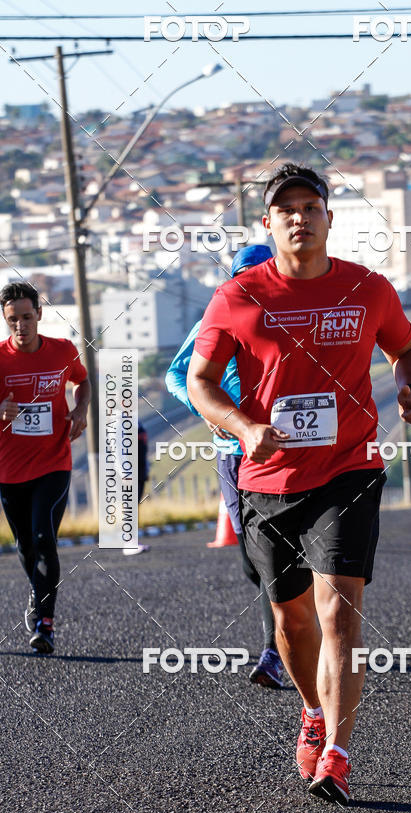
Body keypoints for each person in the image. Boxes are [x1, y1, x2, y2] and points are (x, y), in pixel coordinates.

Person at [187, 163, 411, 805]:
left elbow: (408, 347)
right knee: (292, 617)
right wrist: (243, 426)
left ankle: (339, 755)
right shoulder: (237, 296)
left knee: (339, 611)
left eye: (309, 206)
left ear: (328, 218)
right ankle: (312, 712)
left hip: (350, 469)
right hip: (267, 478)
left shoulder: (369, 288)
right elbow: (200, 381)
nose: (299, 216)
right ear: (268, 223)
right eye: (285, 208)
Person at [165, 243, 285, 689]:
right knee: (252, 563)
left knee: (275, 555)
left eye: (263, 275)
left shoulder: (288, 317)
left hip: (283, 452)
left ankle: (275, 651)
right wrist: (210, 412)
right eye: (247, 277)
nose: (256, 285)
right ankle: (292, 624)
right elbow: (178, 375)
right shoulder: (215, 318)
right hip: (232, 453)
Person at [0, 281, 90, 654]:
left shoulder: (62, 351)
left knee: (42, 539)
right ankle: (38, 600)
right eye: (11, 320)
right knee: (24, 545)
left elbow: (82, 381)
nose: (20, 326)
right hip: (9, 468)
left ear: (39, 314)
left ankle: (45, 621)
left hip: (54, 461)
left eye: (25, 317)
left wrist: (79, 410)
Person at [122, 422, 150, 556]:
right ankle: (128, 543)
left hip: (140, 471)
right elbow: (116, 449)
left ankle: (133, 541)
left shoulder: (136, 422)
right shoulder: (118, 422)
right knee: (129, 507)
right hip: (129, 473)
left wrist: (146, 469)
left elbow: (143, 448)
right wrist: (124, 472)